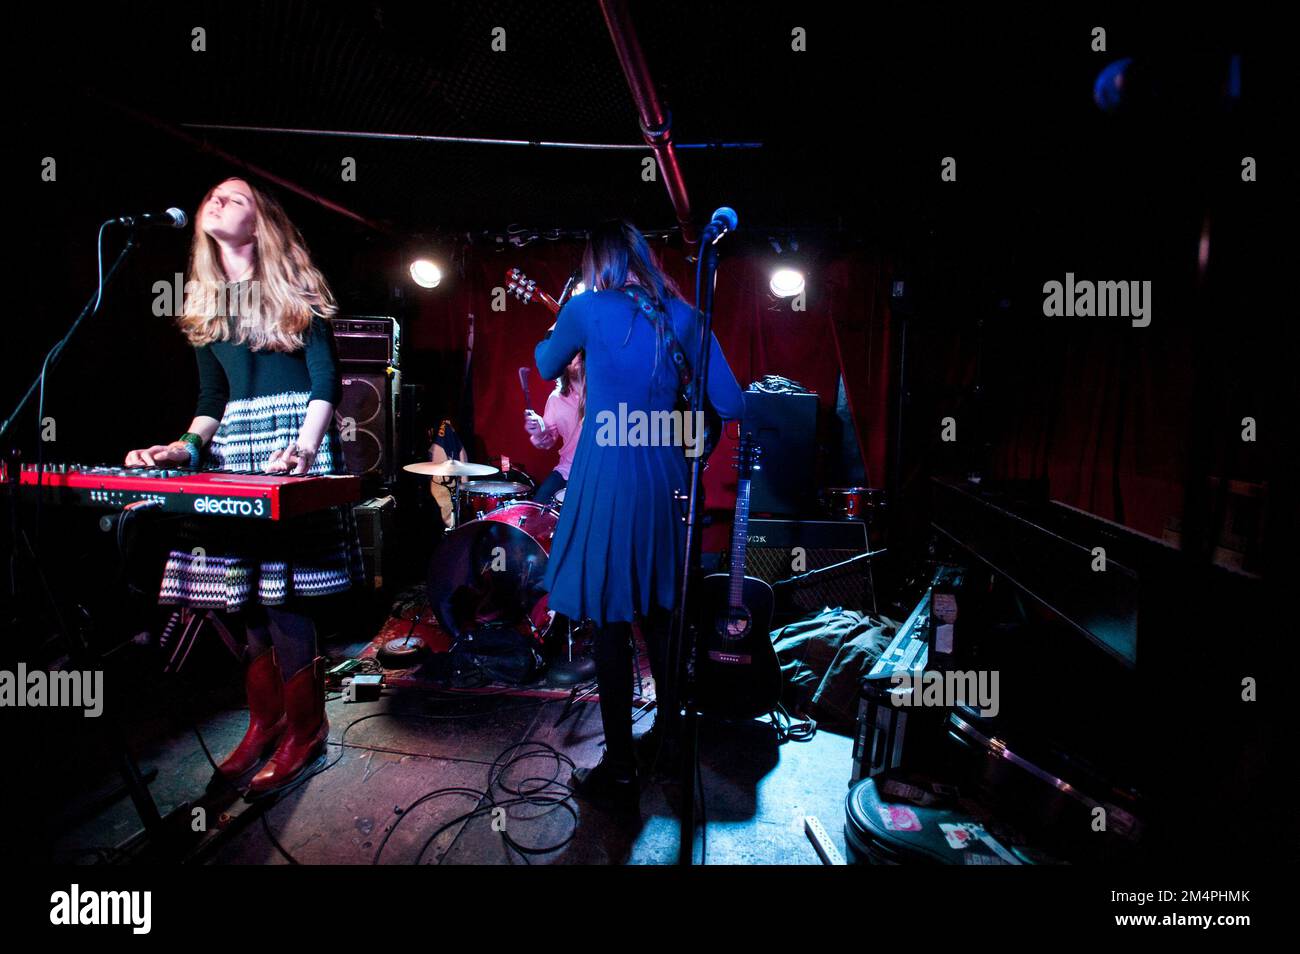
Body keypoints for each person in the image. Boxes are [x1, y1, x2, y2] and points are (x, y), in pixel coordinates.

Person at [124, 176, 363, 795]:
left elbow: (325, 382)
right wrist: (183, 448)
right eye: (211, 195)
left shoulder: (295, 288)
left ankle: (306, 731)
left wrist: (306, 450)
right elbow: (211, 400)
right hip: (235, 449)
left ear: (260, 223)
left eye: (236, 197)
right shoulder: (201, 303)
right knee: (242, 593)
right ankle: (266, 724)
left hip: (290, 439)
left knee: (285, 594)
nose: (216, 200)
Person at [535, 220, 745, 812]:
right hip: (666, 481)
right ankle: (672, 743)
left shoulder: (585, 309)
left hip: (605, 477)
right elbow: (729, 403)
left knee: (608, 624)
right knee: (660, 615)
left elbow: (548, 363)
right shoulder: (684, 315)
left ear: (596, 263)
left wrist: (567, 315)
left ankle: (621, 765)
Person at [525, 351, 584, 505]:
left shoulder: (604, 393)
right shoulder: (556, 398)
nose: (576, 356)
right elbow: (548, 441)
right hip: (567, 470)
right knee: (538, 509)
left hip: (600, 473)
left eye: (578, 351)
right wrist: (539, 432)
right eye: (570, 352)